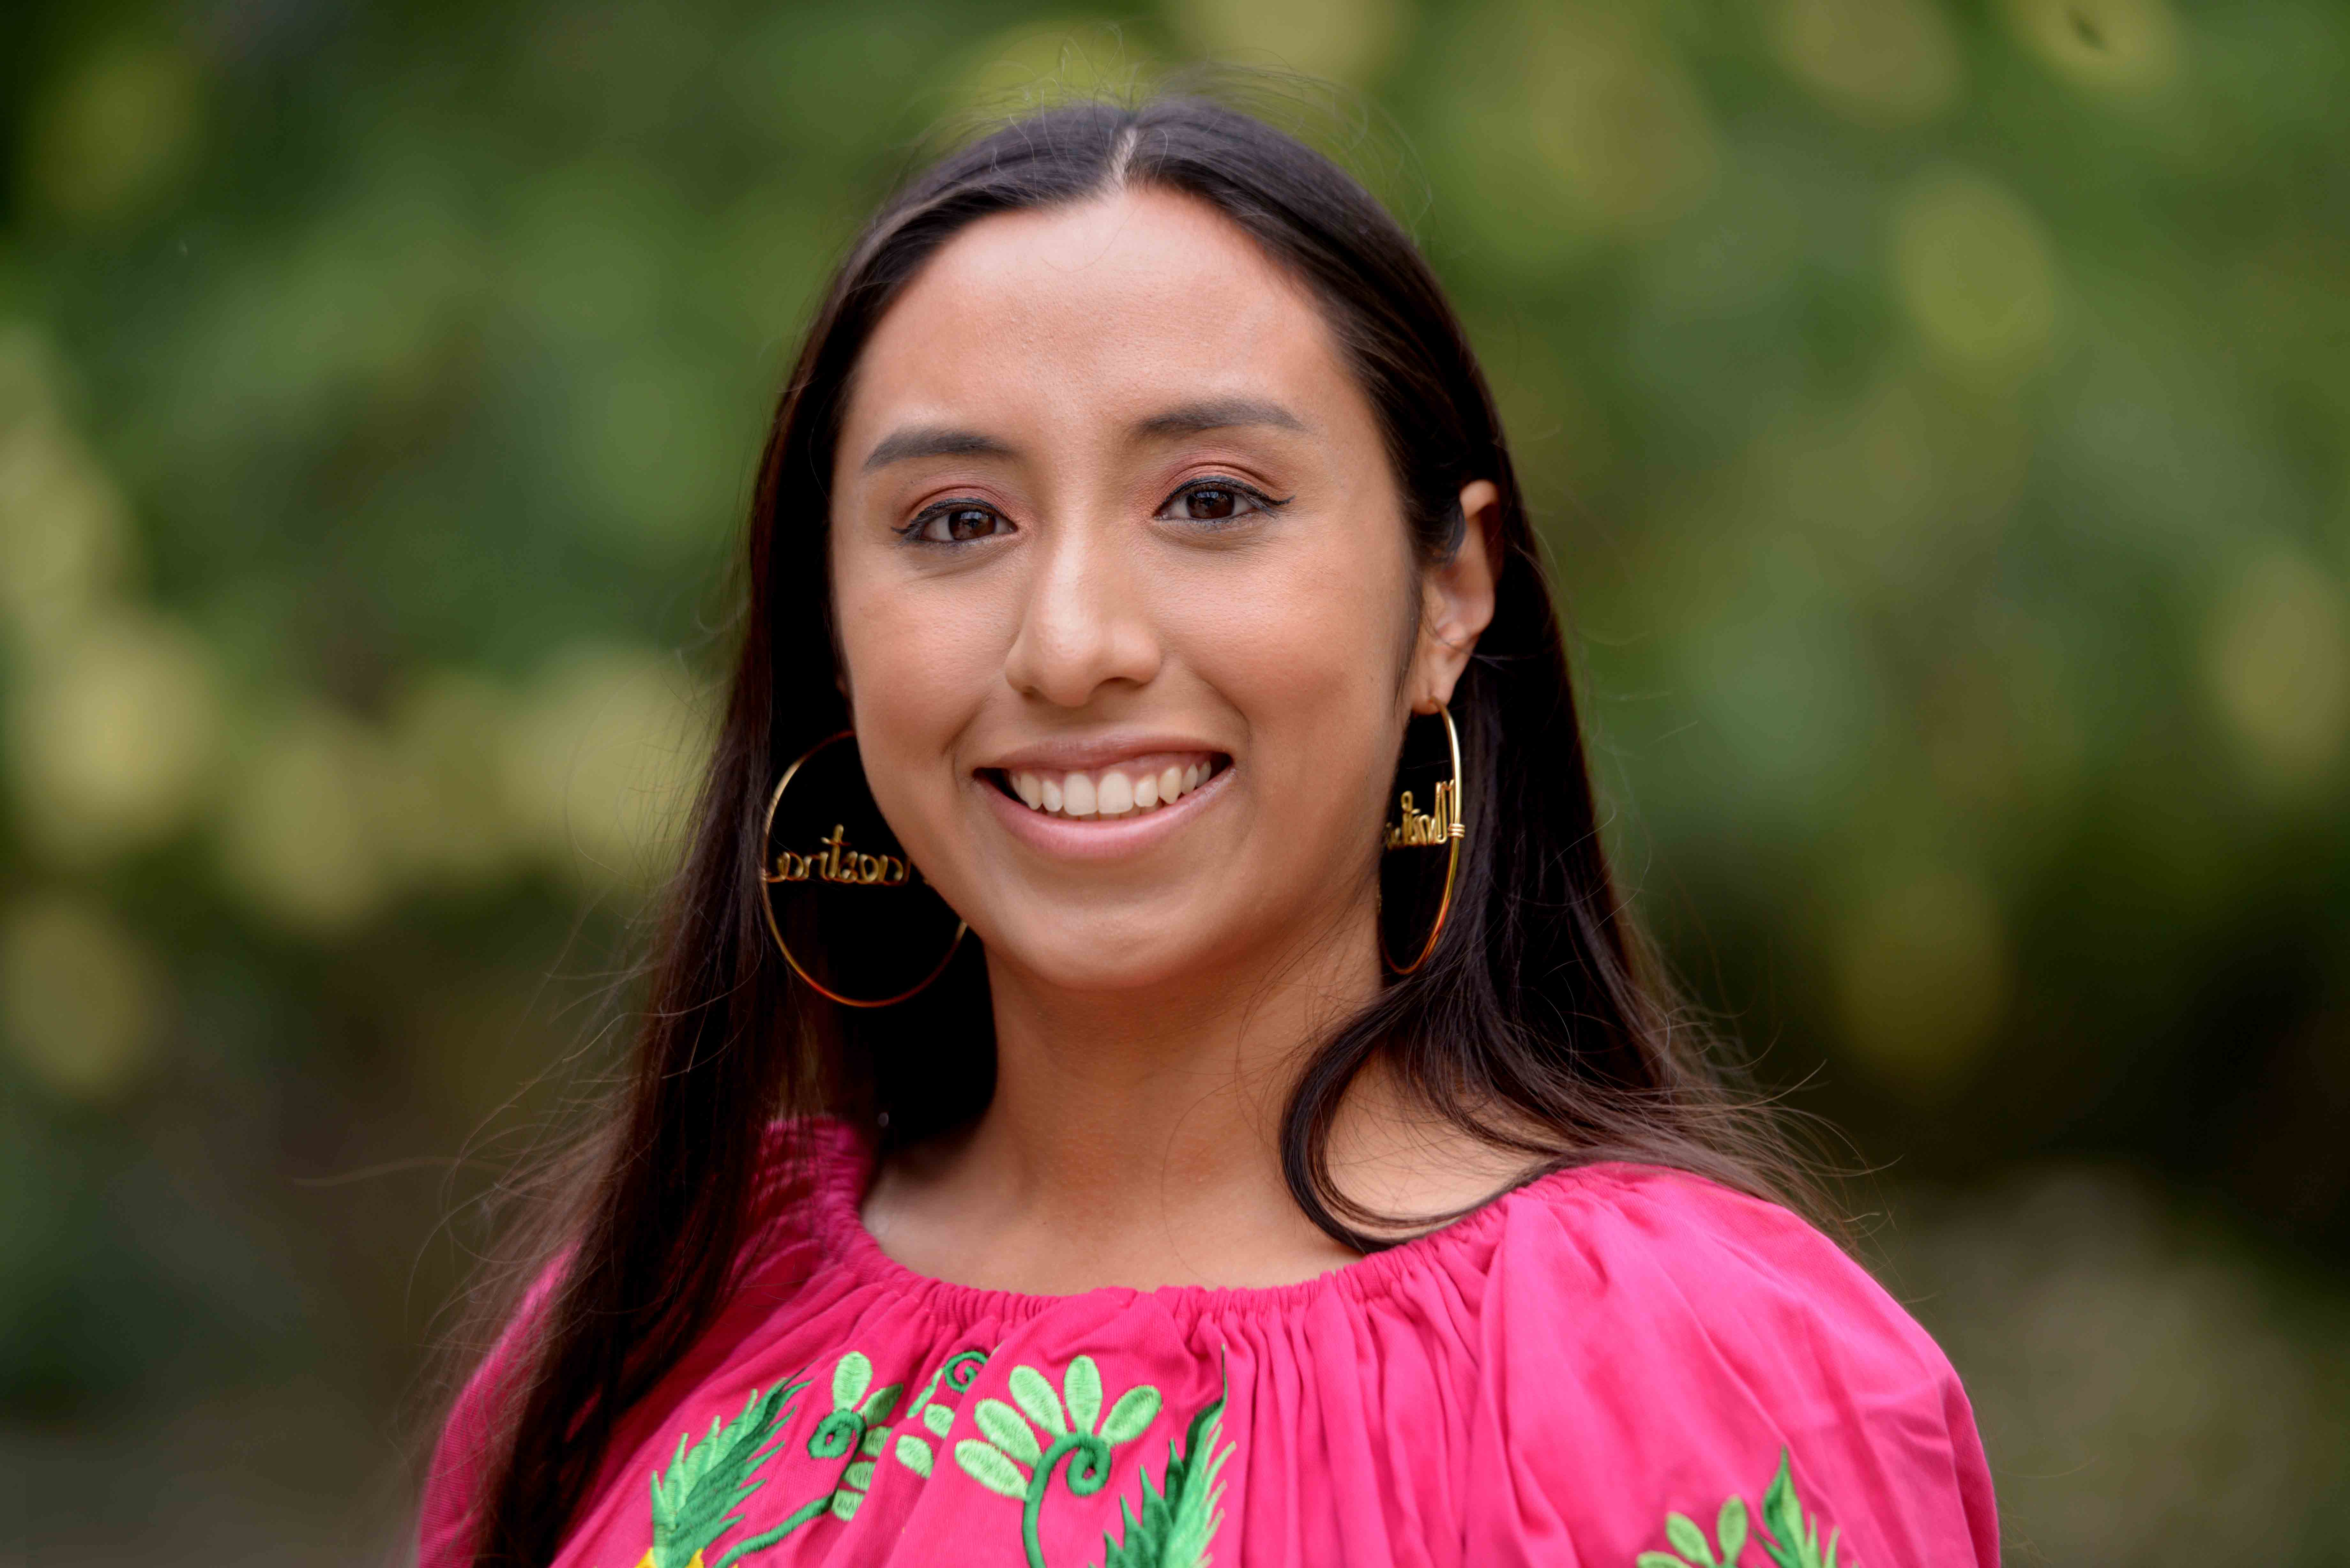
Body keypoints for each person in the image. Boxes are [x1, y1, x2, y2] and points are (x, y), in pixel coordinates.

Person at [418, 91, 1999, 1568]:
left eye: (1213, 501)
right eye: (956, 523)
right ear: (830, 631)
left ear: (1451, 587)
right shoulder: (667, 1316)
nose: (1072, 641)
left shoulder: (1697, 1378)